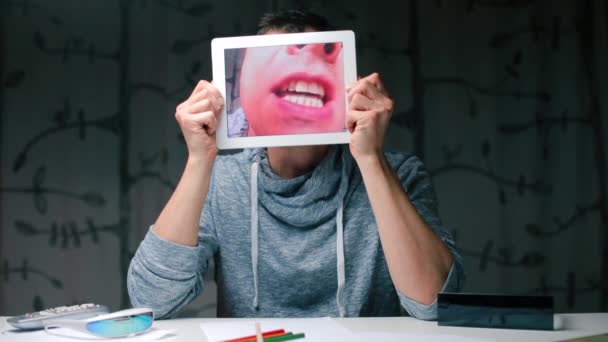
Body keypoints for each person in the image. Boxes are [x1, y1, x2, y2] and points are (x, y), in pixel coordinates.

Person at [127, 10, 464, 320]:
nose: (307, 60)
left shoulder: (400, 174)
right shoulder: (223, 181)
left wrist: (371, 159)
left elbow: (434, 303)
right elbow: (151, 301)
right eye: (279, 57)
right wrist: (200, 160)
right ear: (241, 85)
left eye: (325, 52)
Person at [229, 40, 346, 137]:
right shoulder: (214, 140)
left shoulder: (361, 153)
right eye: (284, 30)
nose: (314, 44)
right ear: (245, 55)